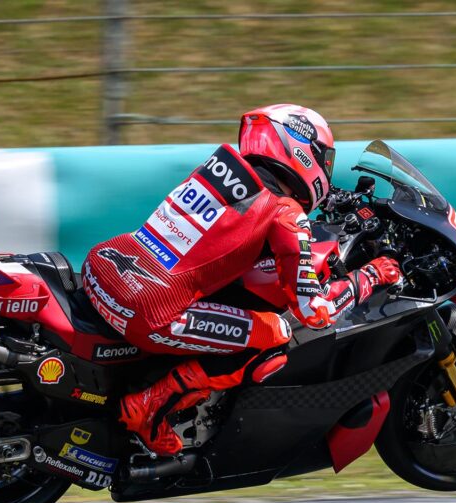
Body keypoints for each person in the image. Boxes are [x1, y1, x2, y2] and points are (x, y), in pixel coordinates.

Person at [82, 104, 402, 456]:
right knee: (277, 334)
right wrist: (369, 277)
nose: (325, 168)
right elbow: (314, 311)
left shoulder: (218, 167)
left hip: (105, 265)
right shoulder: (285, 214)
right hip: (149, 309)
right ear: (301, 150)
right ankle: (150, 406)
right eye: (324, 159)